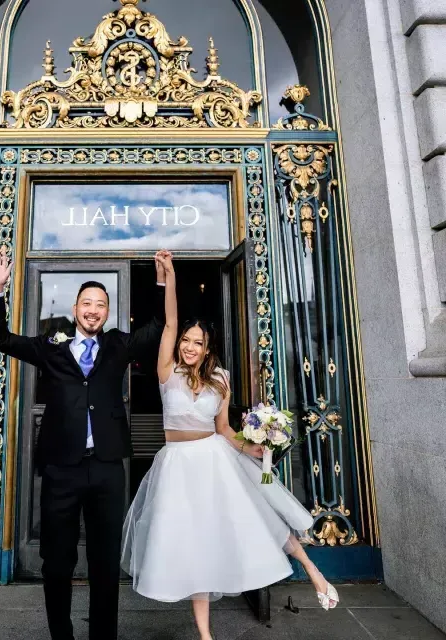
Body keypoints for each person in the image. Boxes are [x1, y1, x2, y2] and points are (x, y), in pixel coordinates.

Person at [121, 253, 339, 640]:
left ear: (207, 348)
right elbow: (170, 320)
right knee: (195, 544)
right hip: (176, 466)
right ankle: (205, 636)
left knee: (259, 515)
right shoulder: (166, 371)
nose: (189, 346)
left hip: (214, 459)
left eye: (197, 342)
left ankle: (312, 569)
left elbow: (223, 428)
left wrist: (255, 448)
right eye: (186, 341)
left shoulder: (220, 378)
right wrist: (168, 278)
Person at [0, 249, 170, 640]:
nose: (94, 310)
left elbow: (156, 325)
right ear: (75, 307)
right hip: (61, 468)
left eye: (101, 305)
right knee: (57, 562)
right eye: (87, 303)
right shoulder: (52, 345)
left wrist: (161, 282)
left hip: (106, 468)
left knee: (104, 562)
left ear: (107, 312)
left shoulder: (118, 344)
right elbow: (0, 338)